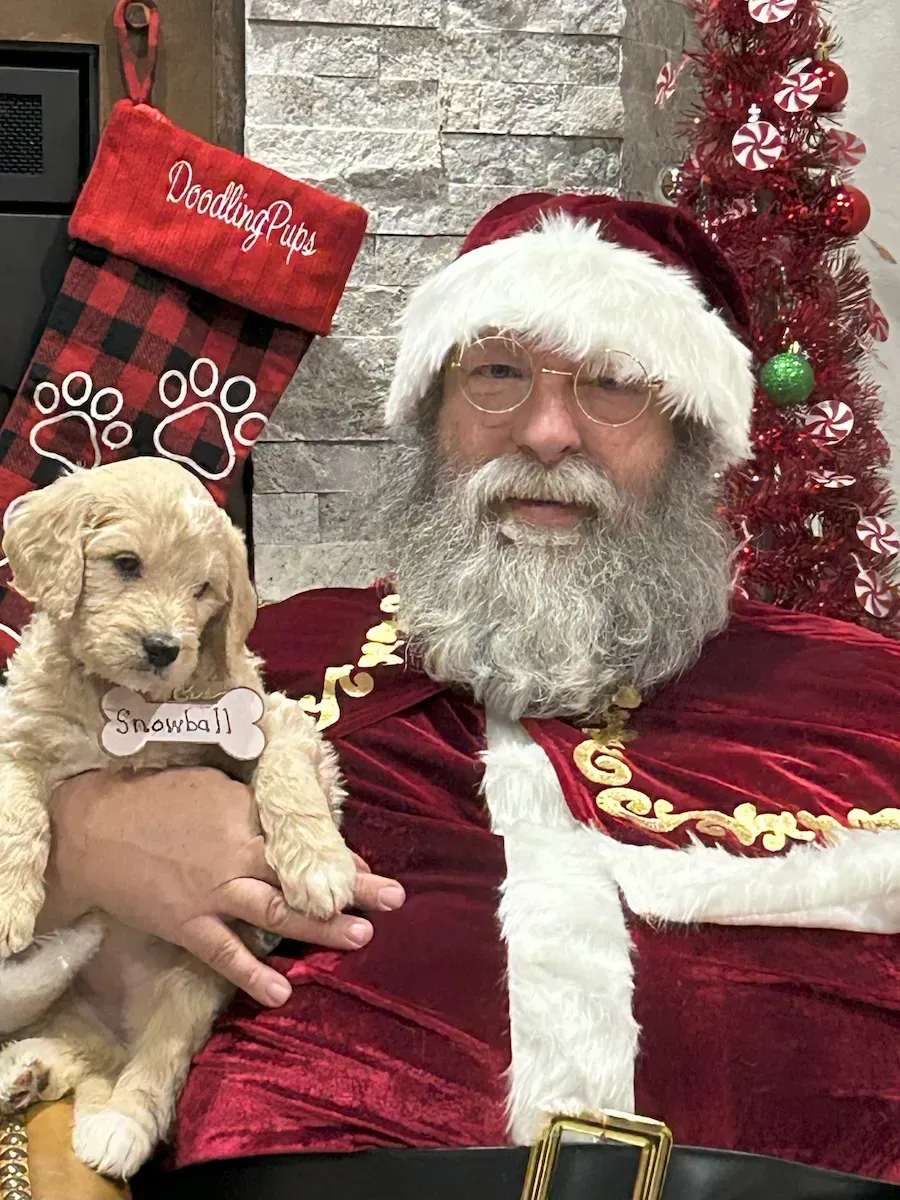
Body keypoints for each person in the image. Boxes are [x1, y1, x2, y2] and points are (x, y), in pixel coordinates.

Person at [22, 194, 900, 1200]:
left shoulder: (866, 692)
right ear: (434, 410)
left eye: (614, 384)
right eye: (497, 373)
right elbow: (27, 747)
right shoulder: (267, 655)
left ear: (693, 433)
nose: (548, 431)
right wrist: (85, 843)